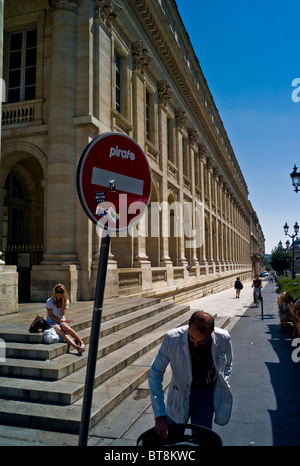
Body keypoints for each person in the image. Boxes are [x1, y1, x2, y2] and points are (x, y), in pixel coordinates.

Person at [148, 311, 233, 439]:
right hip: (178, 396)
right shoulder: (172, 338)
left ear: (212, 331)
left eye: (202, 341)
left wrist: (221, 385)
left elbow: (228, 364)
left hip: (205, 397)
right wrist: (159, 413)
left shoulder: (223, 338)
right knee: (173, 438)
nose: (196, 344)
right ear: (188, 324)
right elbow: (155, 373)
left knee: (202, 439)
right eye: (192, 339)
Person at [46, 283, 86, 355]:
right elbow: (51, 317)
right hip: (51, 321)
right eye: (57, 291)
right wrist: (64, 320)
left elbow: (61, 314)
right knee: (61, 331)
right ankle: (77, 347)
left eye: (61, 292)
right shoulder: (49, 301)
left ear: (63, 293)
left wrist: (62, 302)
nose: (59, 293)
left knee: (67, 328)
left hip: (61, 320)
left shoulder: (66, 301)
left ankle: (81, 342)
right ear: (54, 292)